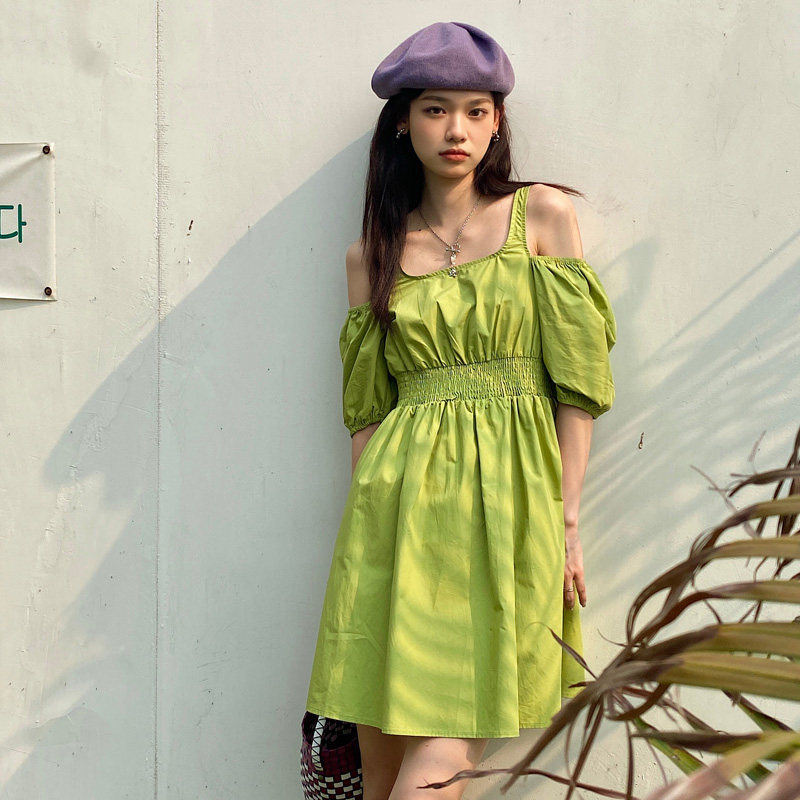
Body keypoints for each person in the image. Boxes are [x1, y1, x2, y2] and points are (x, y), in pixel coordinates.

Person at [305, 20, 617, 800]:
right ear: (402, 123)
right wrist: (363, 545)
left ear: (497, 121)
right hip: (395, 519)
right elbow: (367, 416)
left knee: (438, 761)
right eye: (436, 109)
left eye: (477, 111)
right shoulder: (372, 256)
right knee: (378, 775)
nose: (457, 130)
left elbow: (577, 384)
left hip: (508, 513)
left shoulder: (541, 217)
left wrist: (566, 520)